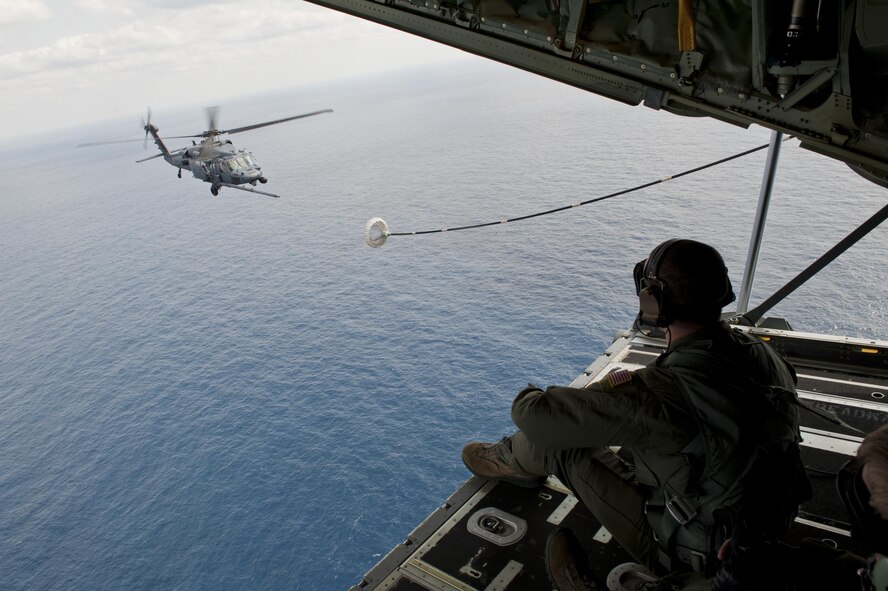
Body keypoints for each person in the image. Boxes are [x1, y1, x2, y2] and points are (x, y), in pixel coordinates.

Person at [461, 239, 812, 590]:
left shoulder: (663, 392)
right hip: (762, 531)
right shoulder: (762, 354)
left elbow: (537, 417)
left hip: (703, 556)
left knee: (557, 445)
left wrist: (529, 393)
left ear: (654, 301)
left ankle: (507, 458)